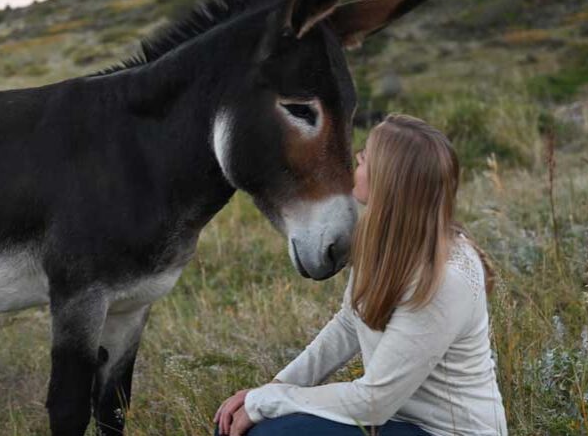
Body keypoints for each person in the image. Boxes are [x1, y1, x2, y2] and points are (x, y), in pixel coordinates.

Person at [213, 114, 508, 436]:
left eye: (367, 156)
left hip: (444, 431)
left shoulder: (446, 277)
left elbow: (373, 401)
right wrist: (277, 386)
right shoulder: (380, 239)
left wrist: (269, 401)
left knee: (265, 432)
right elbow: (349, 323)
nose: (358, 157)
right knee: (238, 427)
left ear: (389, 179)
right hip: (398, 420)